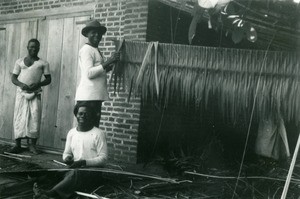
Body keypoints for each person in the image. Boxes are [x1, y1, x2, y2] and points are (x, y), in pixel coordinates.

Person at [33, 103, 108, 199]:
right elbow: (66, 153)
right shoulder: (72, 132)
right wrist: (67, 158)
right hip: (75, 168)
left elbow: (103, 159)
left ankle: (51, 194)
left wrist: (83, 162)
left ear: (92, 116)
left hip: (93, 171)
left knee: (74, 174)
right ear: (76, 115)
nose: (83, 116)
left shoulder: (98, 133)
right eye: (80, 113)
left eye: (86, 114)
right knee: (54, 171)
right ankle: (38, 185)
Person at [75, 19, 120, 127]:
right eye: (93, 33)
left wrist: (110, 66)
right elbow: (89, 73)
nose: (97, 35)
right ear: (87, 34)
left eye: (99, 33)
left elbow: (98, 70)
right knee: (87, 128)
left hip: (94, 97)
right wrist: (108, 61)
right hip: (87, 98)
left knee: (93, 127)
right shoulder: (87, 50)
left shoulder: (94, 49)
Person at [10, 38, 51, 154]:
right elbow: (13, 78)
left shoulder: (43, 63)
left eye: (36, 47)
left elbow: (48, 79)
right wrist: (21, 84)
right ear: (27, 47)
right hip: (22, 93)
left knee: (34, 118)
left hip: (35, 93)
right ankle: (17, 144)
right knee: (19, 117)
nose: (33, 49)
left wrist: (39, 83)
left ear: (39, 48)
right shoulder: (19, 62)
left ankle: (32, 145)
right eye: (31, 46)